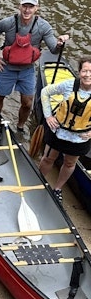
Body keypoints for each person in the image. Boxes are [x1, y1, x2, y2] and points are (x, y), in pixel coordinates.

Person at [0, 0, 69, 135]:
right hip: (7, 67)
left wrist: (60, 44)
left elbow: (54, 50)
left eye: (31, 6)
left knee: (27, 102)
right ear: (19, 6)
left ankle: (20, 127)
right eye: (24, 6)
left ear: (37, 8)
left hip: (27, 70)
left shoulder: (44, 27)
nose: (27, 10)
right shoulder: (8, 23)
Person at [38, 56, 91, 203]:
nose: (88, 75)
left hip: (79, 138)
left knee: (69, 163)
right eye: (85, 71)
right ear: (79, 72)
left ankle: (58, 188)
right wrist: (48, 116)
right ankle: (38, 182)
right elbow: (45, 92)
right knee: (48, 158)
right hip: (58, 132)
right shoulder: (69, 85)